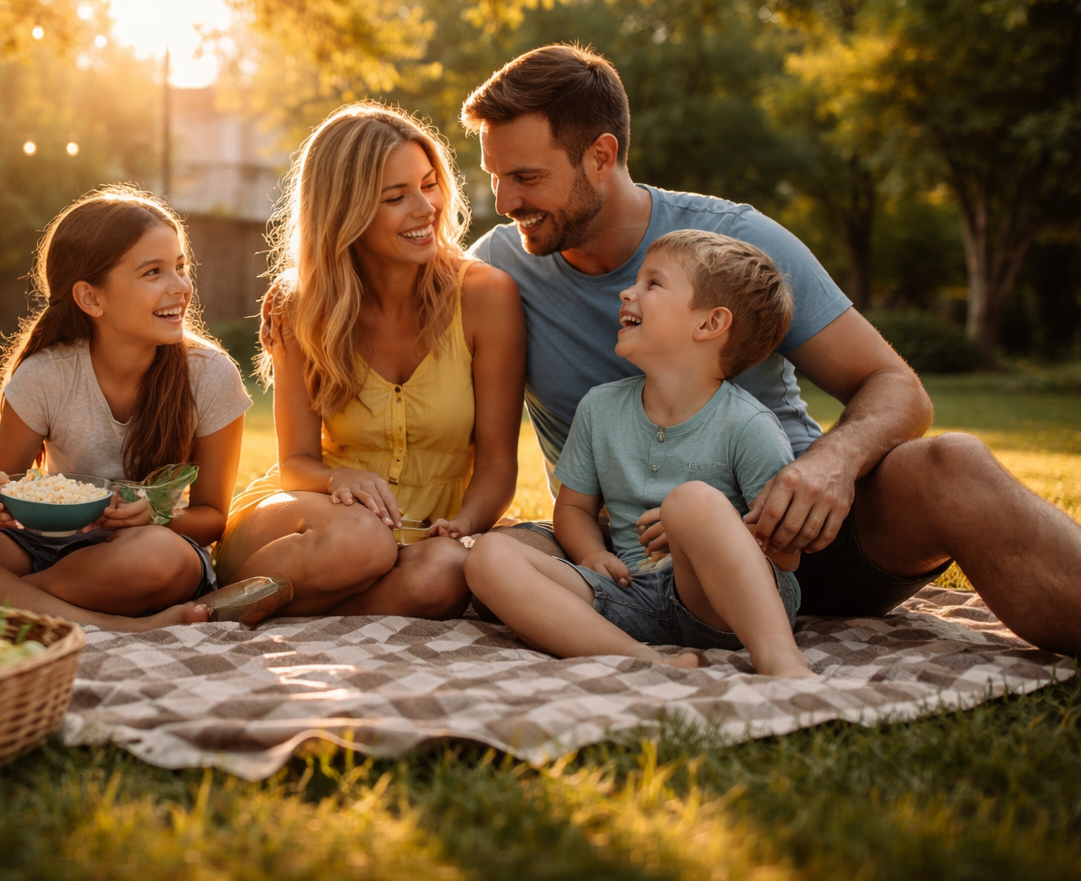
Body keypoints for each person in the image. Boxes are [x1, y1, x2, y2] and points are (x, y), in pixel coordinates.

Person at [462, 44, 1081, 656]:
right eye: (495, 177)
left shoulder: (729, 241)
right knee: (478, 560)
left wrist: (831, 463)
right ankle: (646, 656)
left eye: (526, 177)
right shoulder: (494, 270)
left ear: (601, 156)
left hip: (799, 531)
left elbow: (896, 387)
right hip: (629, 559)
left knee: (956, 465)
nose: (505, 201)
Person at [0, 187, 252, 630]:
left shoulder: (211, 376)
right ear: (91, 298)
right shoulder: (46, 376)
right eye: (153, 272)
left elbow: (213, 518)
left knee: (161, 561)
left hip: (145, 549)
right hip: (40, 545)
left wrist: (159, 516)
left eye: (181, 267)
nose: (180, 286)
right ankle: (103, 622)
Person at [215, 103, 526, 618]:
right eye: (395, 197)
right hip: (313, 523)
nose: (426, 208)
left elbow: (497, 465)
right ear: (345, 212)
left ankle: (278, 606)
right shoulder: (300, 306)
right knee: (364, 542)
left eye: (429, 184)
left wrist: (466, 523)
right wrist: (337, 480)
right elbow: (296, 465)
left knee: (446, 574)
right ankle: (257, 596)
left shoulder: (486, 297)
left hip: (428, 535)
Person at [467, 231, 815, 677]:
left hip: (722, 608)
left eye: (653, 284)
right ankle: (642, 658)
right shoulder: (600, 407)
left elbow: (786, 556)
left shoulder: (748, 425)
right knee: (488, 556)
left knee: (692, 501)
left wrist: (701, 532)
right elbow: (573, 507)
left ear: (710, 324)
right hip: (631, 595)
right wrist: (593, 555)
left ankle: (780, 659)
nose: (627, 291)